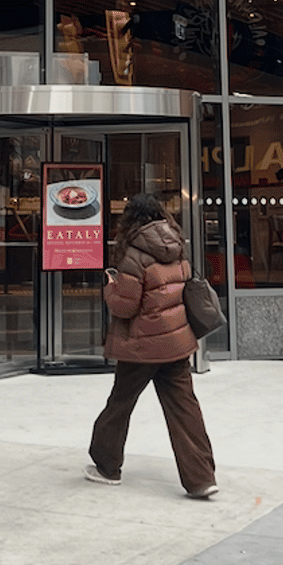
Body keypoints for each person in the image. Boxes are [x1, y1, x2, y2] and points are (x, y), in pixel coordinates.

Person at [86, 192, 217, 499]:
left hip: (141, 347)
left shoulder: (133, 254)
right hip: (176, 343)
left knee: (119, 405)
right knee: (185, 410)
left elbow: (125, 308)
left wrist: (110, 288)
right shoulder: (176, 246)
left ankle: (107, 465)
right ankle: (201, 478)